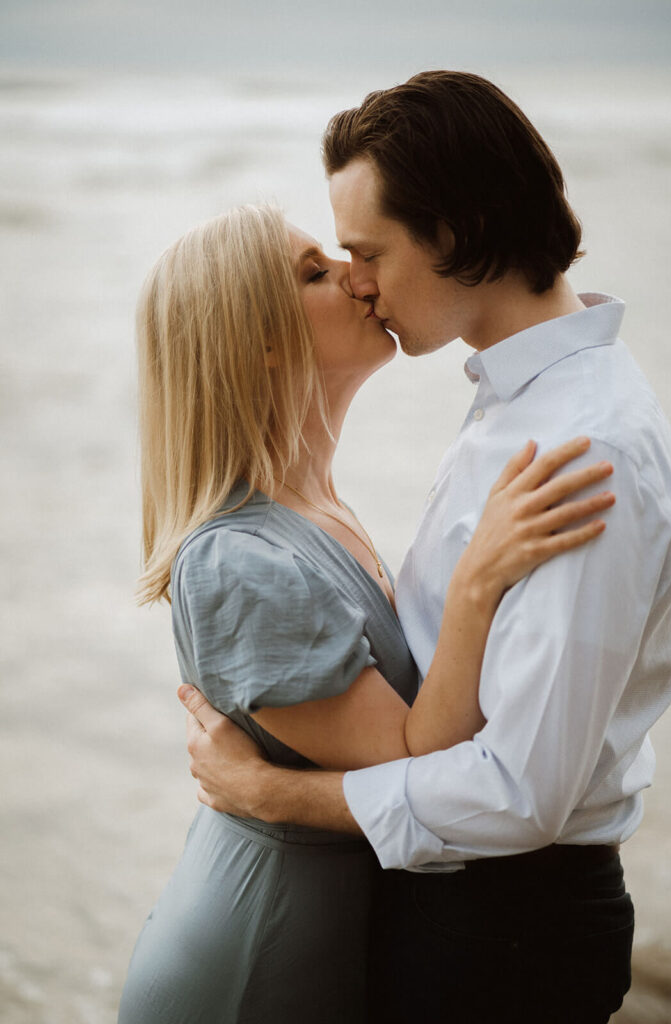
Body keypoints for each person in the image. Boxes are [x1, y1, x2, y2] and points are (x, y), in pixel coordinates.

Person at [179, 72, 671, 1024]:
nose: (358, 280)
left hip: (505, 936)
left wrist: (275, 795)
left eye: (367, 251)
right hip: (469, 912)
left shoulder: (582, 448)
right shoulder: (517, 402)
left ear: (452, 233)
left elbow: (518, 793)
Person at [118, 204, 614, 1024]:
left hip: (327, 934)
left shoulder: (314, 509)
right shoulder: (239, 559)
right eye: (315, 272)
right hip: (256, 959)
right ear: (260, 341)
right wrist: (477, 582)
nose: (356, 277)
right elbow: (416, 752)